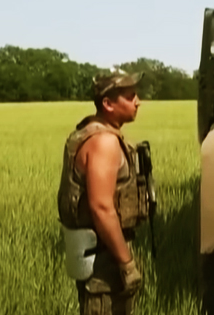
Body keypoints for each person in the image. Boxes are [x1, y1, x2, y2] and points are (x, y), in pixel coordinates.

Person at [57, 70, 153, 315]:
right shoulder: (103, 142)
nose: (138, 101)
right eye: (130, 96)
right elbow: (101, 208)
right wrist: (127, 264)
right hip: (103, 262)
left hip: (100, 255)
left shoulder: (91, 133)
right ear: (108, 104)